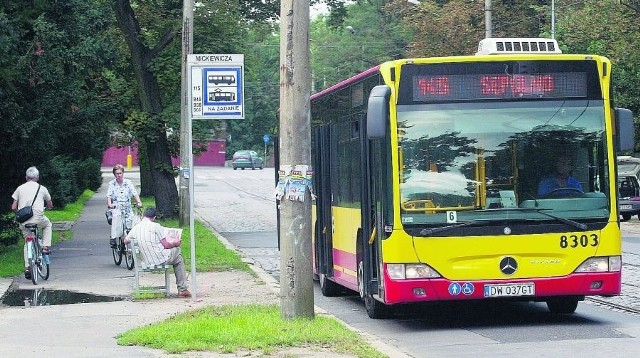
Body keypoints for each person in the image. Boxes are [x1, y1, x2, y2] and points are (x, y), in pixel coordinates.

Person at [125, 207, 191, 298]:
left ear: (144, 216)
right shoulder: (156, 226)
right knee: (178, 254)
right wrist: (176, 243)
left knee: (177, 255)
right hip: (160, 259)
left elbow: (125, 240)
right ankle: (182, 289)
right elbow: (166, 245)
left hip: (147, 260)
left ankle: (183, 287)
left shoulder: (136, 228)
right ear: (154, 217)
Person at [11, 166, 53, 279]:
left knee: (27, 241)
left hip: (24, 221)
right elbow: (50, 204)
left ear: (26, 177)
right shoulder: (42, 188)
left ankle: (27, 267)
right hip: (38, 219)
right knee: (48, 224)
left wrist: (19, 212)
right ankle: (45, 246)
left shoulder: (20, 188)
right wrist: (48, 208)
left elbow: (13, 206)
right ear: (37, 177)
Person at [107, 164, 141, 248]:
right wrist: (110, 204)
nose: (118, 175)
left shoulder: (128, 183)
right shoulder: (112, 184)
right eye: (117, 173)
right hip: (117, 207)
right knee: (116, 221)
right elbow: (109, 195)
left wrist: (139, 202)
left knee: (131, 225)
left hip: (127, 207)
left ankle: (131, 244)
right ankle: (113, 238)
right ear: (114, 174)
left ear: (123, 173)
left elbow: (134, 193)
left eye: (120, 173)